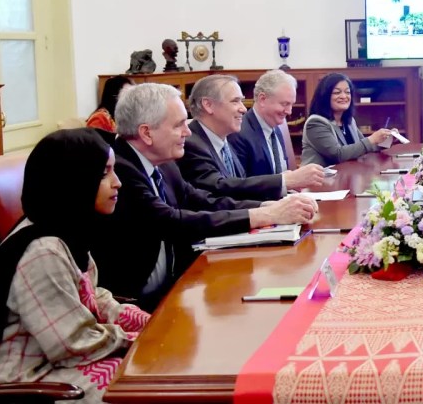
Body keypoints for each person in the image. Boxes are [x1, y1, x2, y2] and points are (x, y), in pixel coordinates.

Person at [0, 128, 149, 403]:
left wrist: (143, 321)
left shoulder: (67, 229)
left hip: (51, 364)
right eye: (103, 174)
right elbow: (74, 342)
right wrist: (134, 339)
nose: (117, 182)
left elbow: (91, 296)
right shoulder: (43, 251)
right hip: (20, 382)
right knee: (144, 382)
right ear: (73, 180)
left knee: (150, 371)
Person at [90, 83, 318, 309]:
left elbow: (202, 200)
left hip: (172, 288)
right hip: (132, 304)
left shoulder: (163, 163)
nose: (188, 132)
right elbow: (172, 221)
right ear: (146, 133)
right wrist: (265, 215)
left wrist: (266, 207)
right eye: (179, 125)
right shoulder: (120, 169)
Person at [177, 75, 324, 200]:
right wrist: (284, 181)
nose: (243, 108)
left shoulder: (223, 140)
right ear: (208, 105)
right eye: (235, 101)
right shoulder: (190, 144)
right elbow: (219, 190)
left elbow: (241, 186)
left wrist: (276, 199)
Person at [230, 70, 314, 179]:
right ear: (262, 99)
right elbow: (242, 185)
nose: (289, 112)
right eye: (284, 104)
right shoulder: (238, 133)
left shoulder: (276, 126)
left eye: (291, 104)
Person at [299, 73, 396, 167]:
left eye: (347, 92)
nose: (344, 96)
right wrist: (372, 139)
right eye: (337, 92)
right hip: (321, 177)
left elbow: (363, 148)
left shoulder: (349, 121)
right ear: (325, 96)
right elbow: (338, 155)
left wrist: (385, 141)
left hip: (346, 175)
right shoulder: (316, 123)